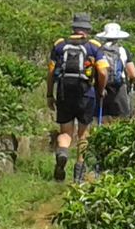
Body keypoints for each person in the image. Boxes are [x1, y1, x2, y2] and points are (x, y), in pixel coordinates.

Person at [46, 13, 108, 183]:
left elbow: (51, 72)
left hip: (64, 92)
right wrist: (101, 90)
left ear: (73, 28)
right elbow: (102, 72)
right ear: (87, 30)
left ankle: (62, 153)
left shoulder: (59, 45)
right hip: (86, 93)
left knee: (65, 132)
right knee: (83, 134)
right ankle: (79, 174)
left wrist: (50, 94)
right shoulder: (94, 46)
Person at [95, 22, 135, 122]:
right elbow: (134, 74)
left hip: (101, 86)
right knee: (122, 118)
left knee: (102, 117)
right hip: (119, 87)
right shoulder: (122, 50)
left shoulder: (98, 50)